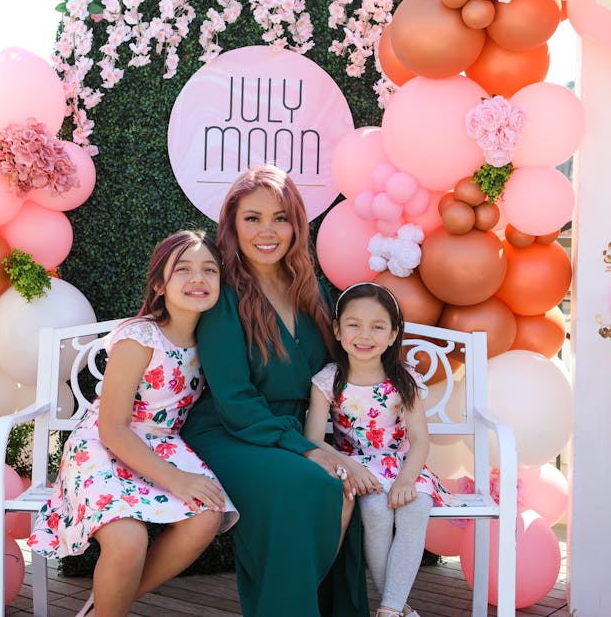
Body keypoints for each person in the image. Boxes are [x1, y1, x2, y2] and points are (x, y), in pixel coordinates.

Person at [181, 165, 369, 617]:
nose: (268, 231)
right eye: (253, 218)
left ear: (296, 224)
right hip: (233, 431)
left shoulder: (310, 289)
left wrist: (332, 439)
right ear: (232, 225)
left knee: (341, 485)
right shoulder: (221, 292)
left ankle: (287, 603)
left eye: (280, 217)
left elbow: (333, 372)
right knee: (315, 485)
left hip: (298, 429)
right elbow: (234, 398)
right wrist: (310, 450)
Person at [28, 230, 238, 616]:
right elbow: (112, 427)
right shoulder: (141, 337)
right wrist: (177, 479)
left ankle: (105, 607)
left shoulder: (213, 340)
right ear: (159, 283)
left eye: (210, 270)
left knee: (207, 515)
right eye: (184, 270)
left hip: (163, 443)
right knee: (127, 539)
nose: (198, 279)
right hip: (105, 443)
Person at [304, 282, 450, 617]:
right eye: (354, 324)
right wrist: (351, 468)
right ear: (338, 331)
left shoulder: (403, 379)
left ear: (393, 334)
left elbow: (420, 440)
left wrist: (406, 481)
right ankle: (399, 608)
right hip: (358, 467)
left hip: (404, 466)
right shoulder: (328, 380)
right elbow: (313, 439)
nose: (365, 334)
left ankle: (388, 609)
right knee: (374, 512)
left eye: (378, 326)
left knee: (415, 510)